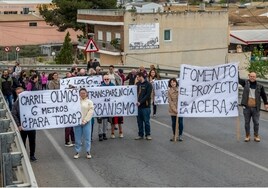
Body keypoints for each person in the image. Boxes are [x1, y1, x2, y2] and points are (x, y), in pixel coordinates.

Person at [239, 72, 268, 142]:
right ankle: (247, 136)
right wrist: (236, 69)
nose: (252, 77)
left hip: (256, 107)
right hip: (247, 107)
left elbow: (264, 95)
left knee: (256, 122)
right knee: (247, 122)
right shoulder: (245, 83)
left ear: (256, 77)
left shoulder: (260, 86)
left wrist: (266, 103)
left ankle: (256, 135)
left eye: (253, 76)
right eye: (251, 76)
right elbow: (238, 79)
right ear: (249, 77)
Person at [12, 87, 38, 162]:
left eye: (21, 92)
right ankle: (23, 156)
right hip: (22, 126)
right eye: (18, 93)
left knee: (32, 141)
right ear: (16, 94)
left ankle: (32, 155)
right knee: (22, 141)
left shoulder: (31, 101)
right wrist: (18, 125)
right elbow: (14, 114)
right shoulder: (15, 104)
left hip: (31, 125)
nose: (20, 94)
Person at [73, 88, 94, 159]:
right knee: (77, 138)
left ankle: (88, 151)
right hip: (78, 122)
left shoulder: (89, 102)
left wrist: (85, 120)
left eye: (84, 93)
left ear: (86, 93)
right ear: (79, 94)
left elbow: (91, 111)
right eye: (81, 93)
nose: (82, 94)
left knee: (87, 138)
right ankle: (77, 151)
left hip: (86, 122)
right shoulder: (75, 101)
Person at [135, 72, 153, 140]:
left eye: (137, 77)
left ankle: (148, 134)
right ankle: (140, 134)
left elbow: (147, 95)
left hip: (145, 106)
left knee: (146, 121)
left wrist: (140, 102)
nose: (137, 78)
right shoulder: (137, 84)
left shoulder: (148, 84)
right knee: (139, 122)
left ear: (141, 77)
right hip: (138, 107)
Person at [98, 74, 115, 141]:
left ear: (110, 79)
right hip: (101, 107)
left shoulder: (113, 86)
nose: (106, 80)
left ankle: (104, 133)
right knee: (100, 122)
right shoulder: (100, 86)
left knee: (105, 121)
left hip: (108, 107)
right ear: (103, 80)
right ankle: (100, 134)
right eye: (105, 79)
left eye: (107, 79)